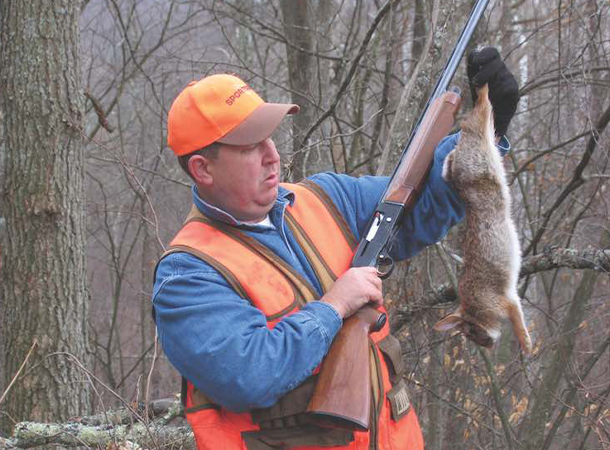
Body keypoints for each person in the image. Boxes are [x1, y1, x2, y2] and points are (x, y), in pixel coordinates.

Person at [152, 47, 519, 450]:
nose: (272, 156)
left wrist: (485, 132)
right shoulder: (187, 275)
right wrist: (334, 307)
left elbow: (425, 203)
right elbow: (249, 374)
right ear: (203, 169)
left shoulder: (327, 198)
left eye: (269, 138)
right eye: (249, 146)